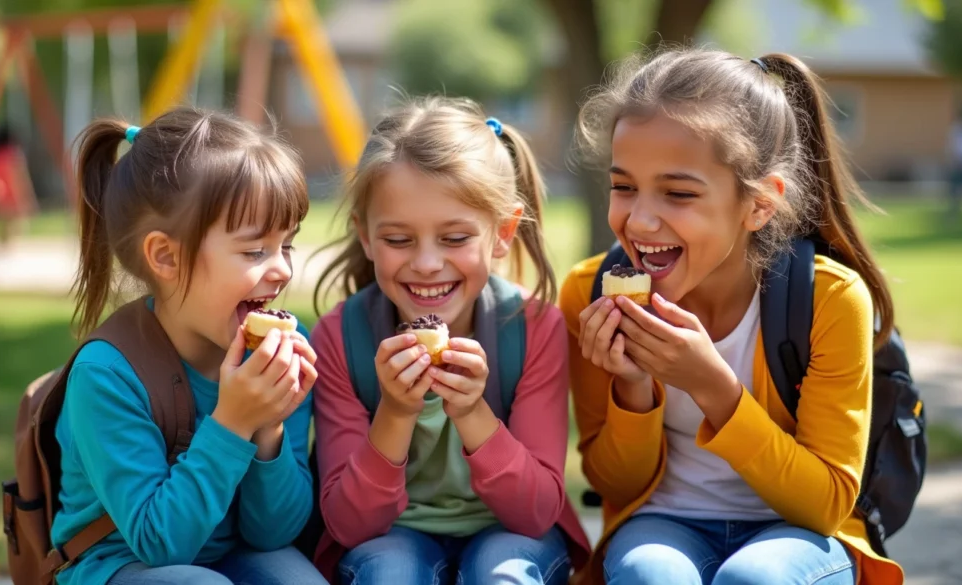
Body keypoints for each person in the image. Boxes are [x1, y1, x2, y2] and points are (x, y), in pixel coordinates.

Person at [561, 48, 901, 585]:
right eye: (623, 186)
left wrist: (711, 385)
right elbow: (616, 487)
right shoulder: (590, 293)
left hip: (797, 537)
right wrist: (633, 385)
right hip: (661, 523)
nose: (640, 220)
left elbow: (826, 506)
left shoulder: (830, 300)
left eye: (677, 193)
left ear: (760, 205)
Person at [310, 96, 591, 584]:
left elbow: (535, 513)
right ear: (367, 235)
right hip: (390, 535)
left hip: (505, 529)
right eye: (398, 240)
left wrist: (470, 411)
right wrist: (396, 413)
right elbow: (349, 524)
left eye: (455, 238)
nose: (425, 264)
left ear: (502, 233)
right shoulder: (339, 338)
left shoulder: (534, 328)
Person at [51, 107, 327, 585]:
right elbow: (162, 544)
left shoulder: (283, 351)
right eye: (254, 250)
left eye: (287, 246)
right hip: (120, 564)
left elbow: (273, 532)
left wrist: (269, 428)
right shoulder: (107, 374)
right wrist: (233, 421)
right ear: (166, 257)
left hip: (231, 555)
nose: (282, 269)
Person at [0, 126, 38, 256]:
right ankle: (6, 253)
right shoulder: (13, 154)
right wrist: (26, 197)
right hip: (12, 195)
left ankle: (1, 252)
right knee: (16, 226)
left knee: (4, 228)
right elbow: (19, 178)